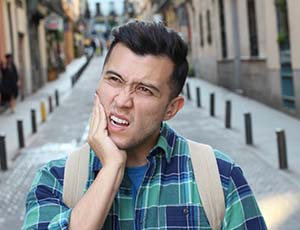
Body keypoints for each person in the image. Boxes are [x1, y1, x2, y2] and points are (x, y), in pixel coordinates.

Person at [22, 20, 266, 229]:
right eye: (114, 79)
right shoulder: (56, 180)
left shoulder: (220, 178)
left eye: (144, 90)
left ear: (171, 108)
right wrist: (111, 169)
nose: (122, 100)